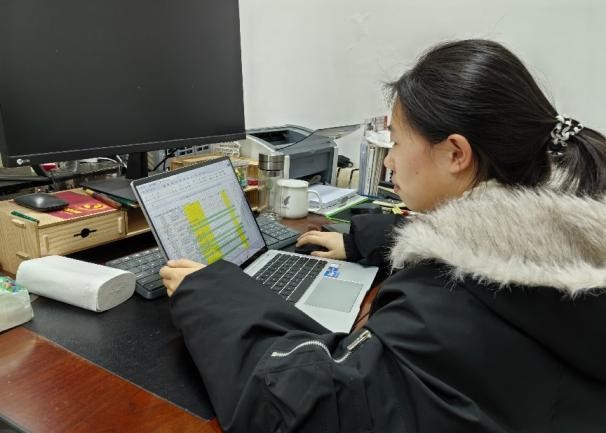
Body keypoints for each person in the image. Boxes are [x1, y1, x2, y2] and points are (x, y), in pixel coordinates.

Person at [160, 39, 606, 433]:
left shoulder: (447, 304)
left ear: (456, 153)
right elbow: (485, 241)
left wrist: (210, 296)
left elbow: (306, 406)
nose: (389, 161)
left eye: (396, 143)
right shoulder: (568, 236)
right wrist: (360, 240)